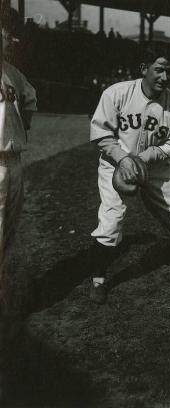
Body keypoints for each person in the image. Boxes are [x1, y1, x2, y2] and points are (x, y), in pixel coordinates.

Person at [89, 49, 170, 304]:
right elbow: (101, 133)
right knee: (112, 220)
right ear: (144, 68)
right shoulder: (116, 93)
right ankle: (98, 279)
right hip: (116, 163)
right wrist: (124, 159)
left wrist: (147, 157)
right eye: (159, 69)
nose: (165, 76)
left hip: (155, 166)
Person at [0, 7, 37, 312]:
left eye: (10, 32)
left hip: (14, 160)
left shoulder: (13, 73)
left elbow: (30, 98)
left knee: (8, 232)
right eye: (4, 30)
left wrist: (23, 125)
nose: (9, 37)